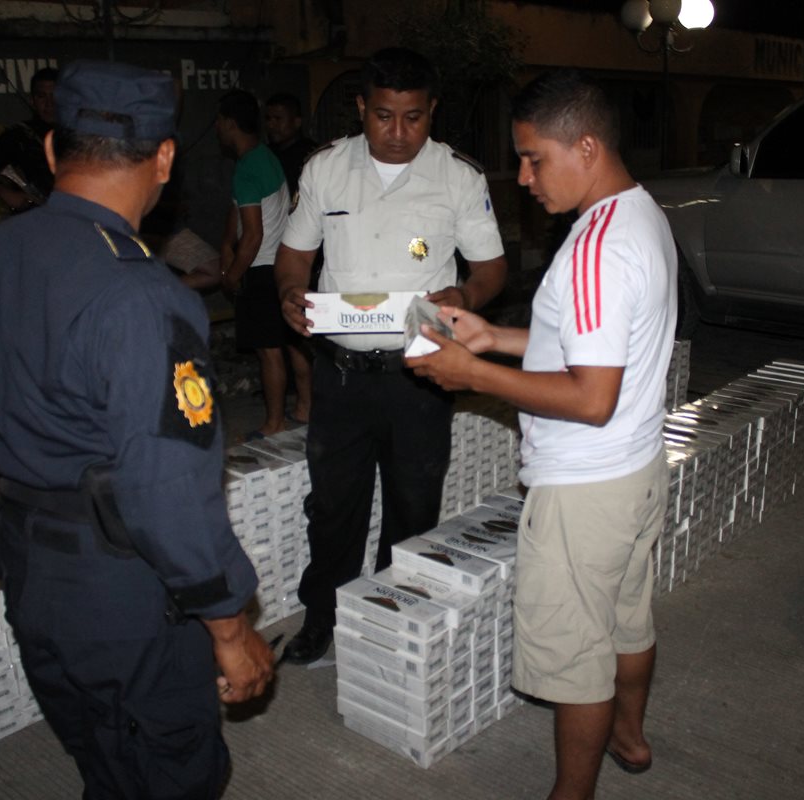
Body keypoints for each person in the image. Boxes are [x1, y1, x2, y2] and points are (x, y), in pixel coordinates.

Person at [0, 60, 274, 799]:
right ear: (165, 158)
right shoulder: (142, 298)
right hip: (120, 587)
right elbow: (166, 488)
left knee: (99, 752)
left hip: (28, 570)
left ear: (53, 152)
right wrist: (228, 626)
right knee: (171, 765)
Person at [405, 70, 676, 800]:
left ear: (585, 147)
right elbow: (591, 347)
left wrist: (470, 373)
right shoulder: (639, 215)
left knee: (576, 656)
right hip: (635, 469)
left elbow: (590, 397)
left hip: (585, 487)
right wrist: (493, 336)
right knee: (626, 619)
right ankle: (630, 736)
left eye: (533, 158)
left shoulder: (594, 252)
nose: (522, 178)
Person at [274, 46, 508, 664]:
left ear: (432, 112)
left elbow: (491, 267)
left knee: (413, 504)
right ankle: (321, 619)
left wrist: (466, 293)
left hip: (421, 374)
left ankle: (387, 620)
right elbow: (295, 253)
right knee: (332, 508)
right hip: (342, 375)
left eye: (413, 117)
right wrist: (289, 291)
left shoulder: (459, 177)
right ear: (360, 108)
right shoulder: (324, 169)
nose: (398, 132)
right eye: (383, 116)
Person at [215, 89, 311, 437]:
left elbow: (252, 234)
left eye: (219, 121)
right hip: (283, 262)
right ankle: (304, 406)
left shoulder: (247, 167)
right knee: (292, 342)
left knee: (269, 353)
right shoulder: (264, 157)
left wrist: (231, 275)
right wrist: (227, 245)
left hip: (262, 268)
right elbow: (240, 216)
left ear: (228, 124)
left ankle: (274, 422)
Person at [0, 67, 59, 214]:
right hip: (35, 220)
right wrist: (4, 192)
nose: (49, 104)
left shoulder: (82, 135)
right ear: (32, 100)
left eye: (55, 96)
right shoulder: (19, 136)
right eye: (42, 96)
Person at [264, 92, 317, 199]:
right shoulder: (267, 154)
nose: (271, 125)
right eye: (268, 119)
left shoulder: (311, 155)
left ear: (297, 122)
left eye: (278, 119)